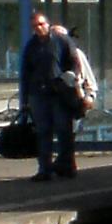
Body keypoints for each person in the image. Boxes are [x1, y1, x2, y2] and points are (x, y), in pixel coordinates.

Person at [19, 11, 78, 181]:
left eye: (41, 24)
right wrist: (25, 100)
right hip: (39, 94)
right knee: (43, 131)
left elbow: (74, 62)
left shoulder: (61, 41)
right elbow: (25, 73)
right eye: (35, 26)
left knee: (63, 130)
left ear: (48, 24)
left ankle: (67, 165)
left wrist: (69, 79)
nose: (39, 28)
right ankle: (44, 169)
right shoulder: (31, 46)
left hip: (59, 93)